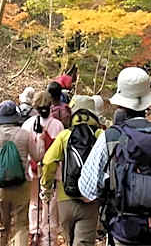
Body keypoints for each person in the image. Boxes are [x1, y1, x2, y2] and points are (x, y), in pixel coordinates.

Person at [79, 67, 151, 246]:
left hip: (124, 229)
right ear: (147, 103)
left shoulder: (111, 137)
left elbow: (87, 187)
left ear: (120, 104)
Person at [0, 100, 44, 246]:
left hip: (1, 186)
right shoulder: (25, 135)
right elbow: (37, 157)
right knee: (21, 226)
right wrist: (41, 140)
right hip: (22, 185)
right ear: (16, 116)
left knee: (1, 226)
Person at [40, 95, 103, 246]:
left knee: (70, 241)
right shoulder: (100, 136)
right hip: (91, 200)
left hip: (65, 197)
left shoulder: (65, 136)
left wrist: (47, 187)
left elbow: (48, 161)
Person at [22, 90, 65, 246]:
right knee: (50, 207)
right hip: (52, 172)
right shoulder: (58, 125)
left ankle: (34, 233)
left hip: (33, 170)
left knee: (34, 203)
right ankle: (48, 239)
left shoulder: (27, 124)